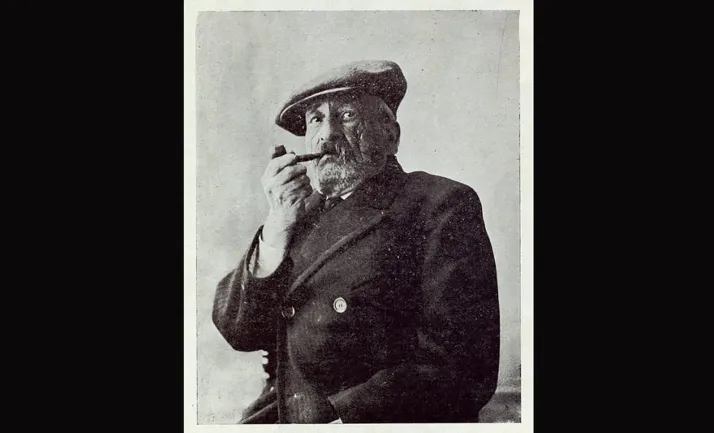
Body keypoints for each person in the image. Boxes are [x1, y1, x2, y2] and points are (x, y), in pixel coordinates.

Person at [212, 60, 500, 424]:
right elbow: (239, 333)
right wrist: (277, 225)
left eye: (346, 115)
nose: (327, 135)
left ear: (390, 136)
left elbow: (463, 367)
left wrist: (346, 420)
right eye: (316, 120)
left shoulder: (438, 204)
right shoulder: (296, 213)